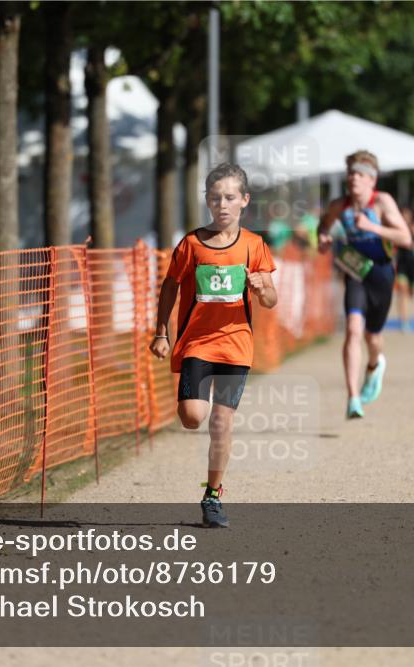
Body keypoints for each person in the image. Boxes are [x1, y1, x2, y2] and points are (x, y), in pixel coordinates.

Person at [149, 163, 278, 528]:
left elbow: (271, 300)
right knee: (192, 417)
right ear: (207, 200)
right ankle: (211, 487)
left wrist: (261, 288)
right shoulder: (190, 244)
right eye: (215, 197)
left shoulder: (254, 246)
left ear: (244, 201)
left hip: (237, 345)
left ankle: (213, 495)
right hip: (197, 344)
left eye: (230, 197)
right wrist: (161, 332)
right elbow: (170, 285)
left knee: (222, 421)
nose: (222, 204)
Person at [317, 150, 412, 419]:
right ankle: (353, 397)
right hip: (356, 273)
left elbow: (405, 238)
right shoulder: (339, 205)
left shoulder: (382, 202)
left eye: (359, 174)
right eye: (350, 173)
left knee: (373, 337)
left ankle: (374, 365)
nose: (353, 178)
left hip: (382, 274)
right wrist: (323, 239)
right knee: (353, 330)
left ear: (372, 179)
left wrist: (373, 228)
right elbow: (323, 227)